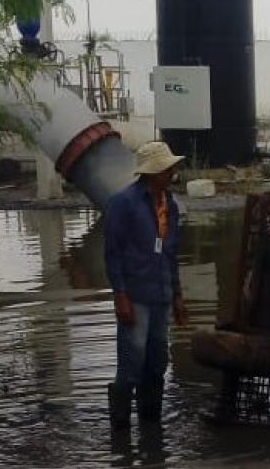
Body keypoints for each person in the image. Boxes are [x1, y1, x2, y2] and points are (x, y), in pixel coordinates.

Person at [105, 141, 188, 430]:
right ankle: (120, 430)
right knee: (132, 361)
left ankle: (151, 428)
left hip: (161, 295)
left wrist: (177, 295)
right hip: (135, 296)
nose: (173, 171)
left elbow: (171, 252)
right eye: (168, 168)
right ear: (154, 172)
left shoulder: (171, 205)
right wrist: (120, 296)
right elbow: (113, 254)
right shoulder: (124, 203)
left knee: (157, 362)